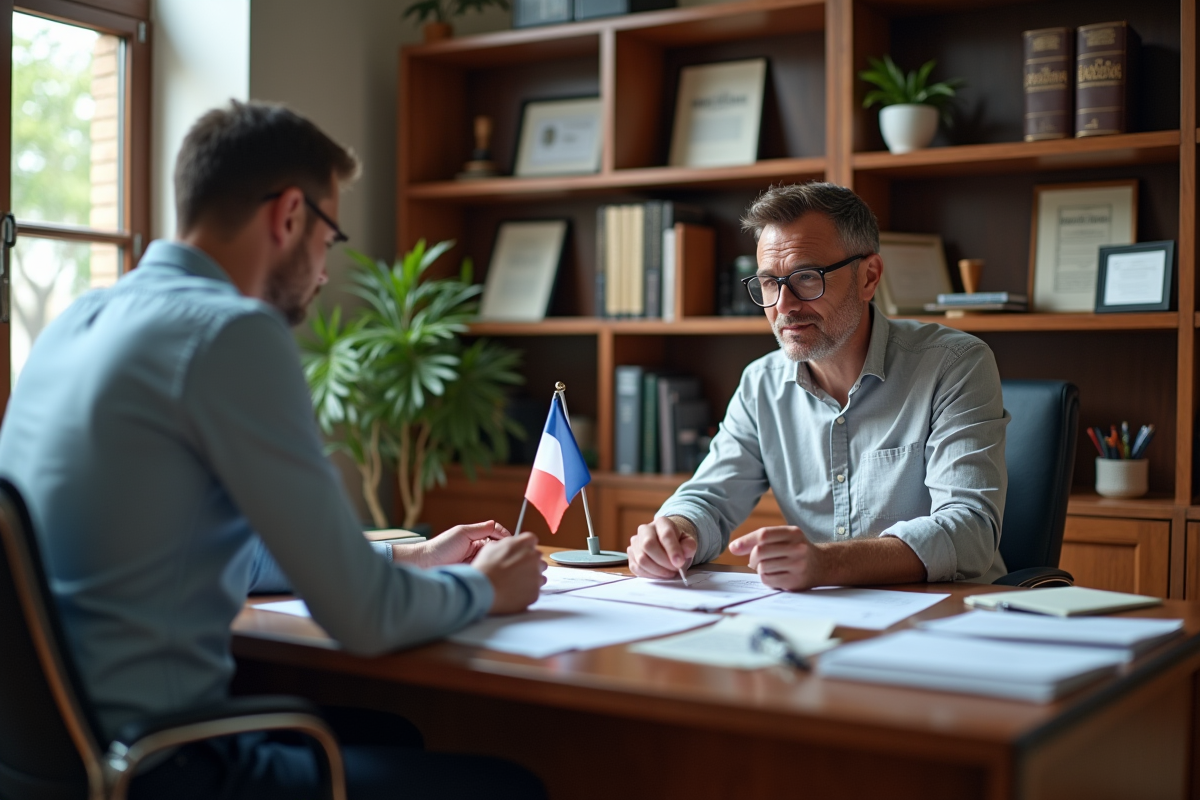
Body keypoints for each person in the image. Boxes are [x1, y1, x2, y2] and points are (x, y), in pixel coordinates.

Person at [0, 100, 547, 799]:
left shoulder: (75, 321)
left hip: (53, 761)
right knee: (509, 786)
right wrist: (486, 586)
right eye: (329, 239)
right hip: (167, 767)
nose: (323, 271)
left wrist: (406, 554)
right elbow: (365, 619)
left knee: (395, 734)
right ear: (290, 216)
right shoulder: (230, 333)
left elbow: (188, 544)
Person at [627, 182, 1009, 590]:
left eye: (806, 278)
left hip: (951, 616)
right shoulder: (762, 384)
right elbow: (711, 499)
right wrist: (674, 532)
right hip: (822, 616)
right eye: (769, 283)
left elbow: (969, 531)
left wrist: (828, 564)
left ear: (869, 277)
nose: (784, 306)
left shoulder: (954, 364)